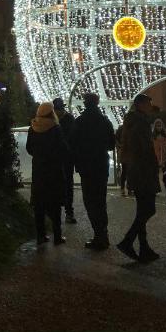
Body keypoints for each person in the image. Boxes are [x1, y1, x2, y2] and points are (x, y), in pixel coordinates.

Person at [117, 93, 160, 263]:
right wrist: (153, 167)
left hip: (136, 170)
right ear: (140, 105)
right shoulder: (140, 124)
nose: (151, 106)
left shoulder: (132, 122)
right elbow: (144, 150)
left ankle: (144, 247)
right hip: (143, 171)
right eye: (149, 103)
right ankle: (127, 241)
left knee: (142, 210)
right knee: (149, 209)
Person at [70, 92, 115, 250]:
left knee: (90, 201)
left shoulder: (79, 122)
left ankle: (99, 235)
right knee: (100, 201)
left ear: (85, 103)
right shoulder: (104, 121)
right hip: (101, 166)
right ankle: (103, 234)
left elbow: (72, 144)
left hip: (86, 167)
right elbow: (111, 144)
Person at [26, 102, 67, 246]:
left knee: (39, 204)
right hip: (53, 170)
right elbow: (62, 149)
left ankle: (40, 235)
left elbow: (29, 148)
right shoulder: (55, 128)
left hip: (38, 170)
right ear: (51, 113)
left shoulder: (33, 128)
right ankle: (57, 236)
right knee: (54, 204)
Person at [52, 97, 76, 224]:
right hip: (58, 158)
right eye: (56, 110)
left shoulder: (68, 119)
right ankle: (57, 214)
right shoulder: (52, 120)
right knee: (57, 185)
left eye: (59, 110)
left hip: (66, 158)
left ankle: (69, 212)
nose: (57, 112)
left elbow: (72, 138)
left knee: (67, 185)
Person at [115, 124, 130, 197]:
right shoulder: (130, 128)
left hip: (124, 152)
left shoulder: (121, 128)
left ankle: (123, 188)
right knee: (127, 170)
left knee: (125, 170)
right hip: (127, 152)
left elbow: (116, 140)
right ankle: (128, 188)